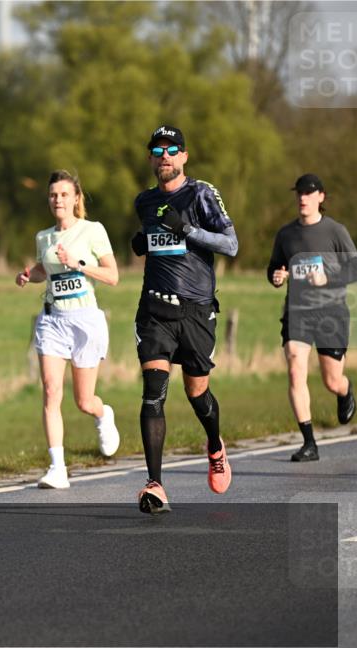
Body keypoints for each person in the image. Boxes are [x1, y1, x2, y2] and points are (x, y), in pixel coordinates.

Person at [130, 125, 239, 514]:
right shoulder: (144, 202)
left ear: (184, 156)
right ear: (150, 158)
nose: (165, 156)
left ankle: (215, 446)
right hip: (155, 309)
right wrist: (142, 242)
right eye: (158, 150)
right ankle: (155, 483)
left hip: (196, 310)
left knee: (197, 394)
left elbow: (231, 244)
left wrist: (189, 230)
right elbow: (152, 240)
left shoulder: (202, 193)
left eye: (172, 149)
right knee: (154, 391)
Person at [16, 170, 121, 489]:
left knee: (83, 401)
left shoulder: (93, 231)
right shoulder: (43, 237)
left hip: (85, 320)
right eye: (52, 195)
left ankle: (103, 415)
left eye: (63, 194)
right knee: (50, 391)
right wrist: (27, 275)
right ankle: (57, 467)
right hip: (53, 320)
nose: (57, 200)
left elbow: (113, 276)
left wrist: (78, 264)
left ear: (76, 198)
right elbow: (43, 270)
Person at [267, 173, 356, 462]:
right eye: (299, 193)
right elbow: (274, 269)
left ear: (321, 197)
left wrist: (327, 277)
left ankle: (344, 391)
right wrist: (277, 277)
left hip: (331, 312)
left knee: (331, 380)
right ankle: (309, 443)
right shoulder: (286, 234)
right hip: (298, 311)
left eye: (309, 193)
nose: (303, 198)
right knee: (295, 362)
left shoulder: (335, 231)